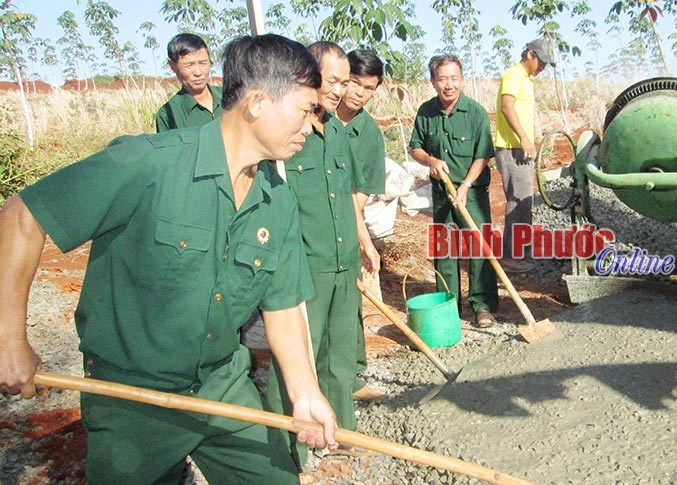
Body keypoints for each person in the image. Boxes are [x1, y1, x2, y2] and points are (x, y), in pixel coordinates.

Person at [0, 34, 337, 484]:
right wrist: (8, 340)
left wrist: (306, 392)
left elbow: (283, 306)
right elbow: (23, 214)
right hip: (131, 399)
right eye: (304, 110)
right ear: (257, 103)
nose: (311, 125)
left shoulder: (277, 201)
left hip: (221, 389)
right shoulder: (148, 165)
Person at [265, 41, 380, 463]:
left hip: (341, 261)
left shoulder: (336, 132)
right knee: (296, 360)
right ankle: (289, 453)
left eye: (344, 81)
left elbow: (349, 197)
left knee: (340, 357)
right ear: (310, 76)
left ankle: (341, 435)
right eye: (332, 80)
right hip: (303, 268)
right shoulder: (288, 138)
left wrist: (363, 242)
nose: (339, 89)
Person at [409, 54, 498, 328]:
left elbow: (482, 155)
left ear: (462, 79)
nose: (449, 85)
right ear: (433, 81)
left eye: (454, 78)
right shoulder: (425, 112)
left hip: (470, 193)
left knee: (478, 247)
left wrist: (465, 186)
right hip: (442, 193)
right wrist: (431, 161)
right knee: (444, 251)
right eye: (442, 79)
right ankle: (449, 307)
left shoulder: (475, 113)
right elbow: (416, 148)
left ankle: (482, 306)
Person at [335, 48, 387, 403]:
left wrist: (362, 238)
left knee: (347, 300)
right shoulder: (314, 117)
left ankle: (351, 377)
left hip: (345, 225)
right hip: (304, 222)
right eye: (353, 83)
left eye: (368, 88)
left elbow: (360, 194)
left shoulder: (368, 133)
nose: (358, 93)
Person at [494, 38, 556, 271]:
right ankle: (511, 256)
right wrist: (523, 137)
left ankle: (521, 251)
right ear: (530, 54)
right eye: (541, 61)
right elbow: (506, 107)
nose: (543, 67)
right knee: (518, 201)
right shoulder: (513, 75)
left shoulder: (526, 79)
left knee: (524, 200)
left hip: (520, 147)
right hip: (512, 148)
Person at [155, 33, 222, 132]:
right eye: (189, 65)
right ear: (172, 66)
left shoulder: (234, 97)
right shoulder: (169, 115)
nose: (198, 72)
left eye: (203, 63)